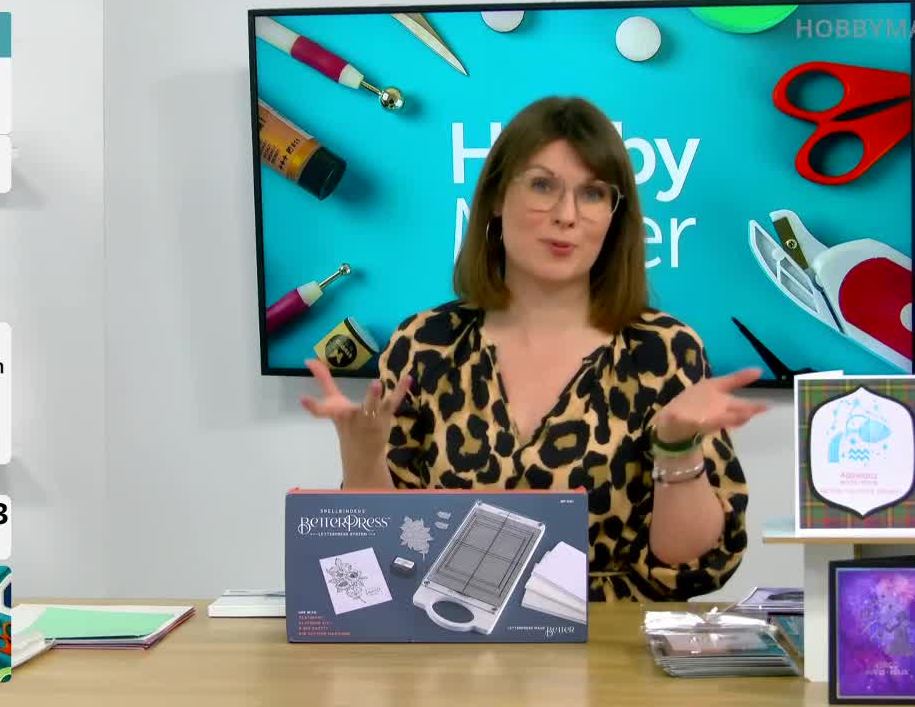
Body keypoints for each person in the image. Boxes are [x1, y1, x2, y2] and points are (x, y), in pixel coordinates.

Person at [301, 96, 767, 602]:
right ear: (498, 196)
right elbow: (384, 563)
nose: (567, 215)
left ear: (615, 216)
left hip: (609, 659)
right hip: (451, 651)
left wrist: (677, 445)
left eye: (592, 194)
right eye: (543, 186)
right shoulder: (425, 344)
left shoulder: (664, 351)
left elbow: (688, 571)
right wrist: (363, 458)